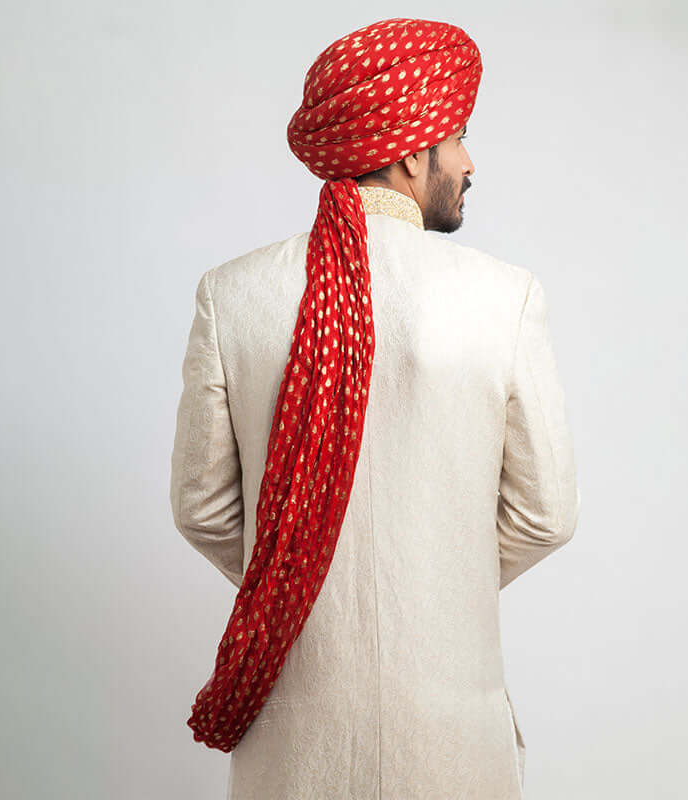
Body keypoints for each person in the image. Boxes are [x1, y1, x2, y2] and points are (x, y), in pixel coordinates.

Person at [170, 16, 581, 800]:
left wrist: (303, 576)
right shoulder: (506, 297)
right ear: (405, 149)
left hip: (293, 744)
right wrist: (435, 581)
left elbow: (203, 510)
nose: (467, 161)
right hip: (453, 739)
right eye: (456, 134)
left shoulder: (233, 296)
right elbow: (545, 515)